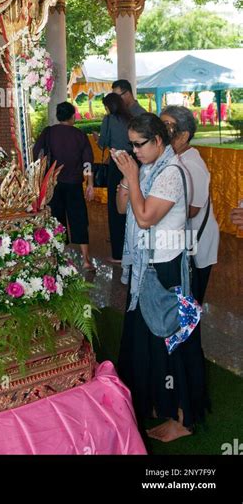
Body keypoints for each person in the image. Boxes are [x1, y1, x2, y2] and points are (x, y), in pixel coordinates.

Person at [113, 113, 208, 443]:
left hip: (168, 267)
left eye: (140, 144)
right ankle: (160, 402)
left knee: (173, 340)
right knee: (149, 339)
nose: (134, 150)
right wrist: (127, 181)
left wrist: (132, 176)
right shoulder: (150, 167)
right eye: (131, 145)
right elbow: (123, 208)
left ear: (158, 142)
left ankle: (184, 417)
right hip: (147, 265)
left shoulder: (171, 171)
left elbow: (144, 218)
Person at [161, 105, 219, 304]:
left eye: (167, 126)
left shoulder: (191, 163)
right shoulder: (173, 158)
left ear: (184, 135)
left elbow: (192, 210)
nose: (161, 131)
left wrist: (154, 210)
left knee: (190, 302)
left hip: (197, 243)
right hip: (181, 240)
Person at [33, 101, 95, 270]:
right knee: (79, 219)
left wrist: (42, 174)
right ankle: (86, 260)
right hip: (74, 184)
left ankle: (60, 257)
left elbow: (36, 153)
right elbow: (87, 162)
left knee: (56, 219)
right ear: (72, 116)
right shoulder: (79, 135)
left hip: (54, 184)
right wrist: (90, 184)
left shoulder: (48, 133)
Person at [96, 92, 132, 263]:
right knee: (131, 205)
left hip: (117, 163)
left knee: (115, 207)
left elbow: (103, 142)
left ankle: (118, 253)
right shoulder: (131, 118)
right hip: (132, 163)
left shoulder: (108, 120)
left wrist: (98, 138)